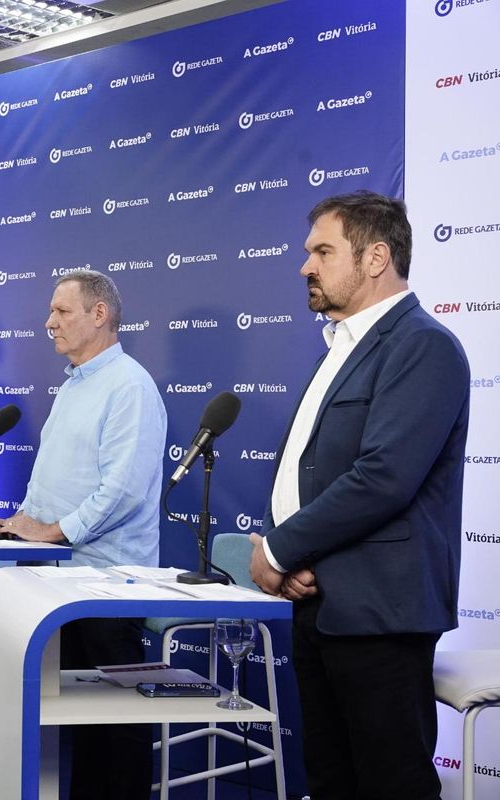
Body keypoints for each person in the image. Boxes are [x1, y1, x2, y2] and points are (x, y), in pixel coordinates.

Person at [249, 191, 469, 800]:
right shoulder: (340, 348)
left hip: (379, 611)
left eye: (323, 251)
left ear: (375, 258)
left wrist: (278, 551)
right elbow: (312, 468)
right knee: (331, 780)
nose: (305, 266)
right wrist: (290, 561)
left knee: (391, 784)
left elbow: (383, 477)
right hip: (319, 601)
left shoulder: (421, 345)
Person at [0, 270, 166, 799]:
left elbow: (123, 491)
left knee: (115, 729)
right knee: (81, 725)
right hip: (61, 580)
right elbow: (55, 482)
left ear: (99, 314)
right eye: (50, 312)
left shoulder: (129, 386)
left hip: (108, 582)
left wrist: (52, 532)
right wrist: (19, 525)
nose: (48, 323)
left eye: (61, 312)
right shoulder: (74, 384)